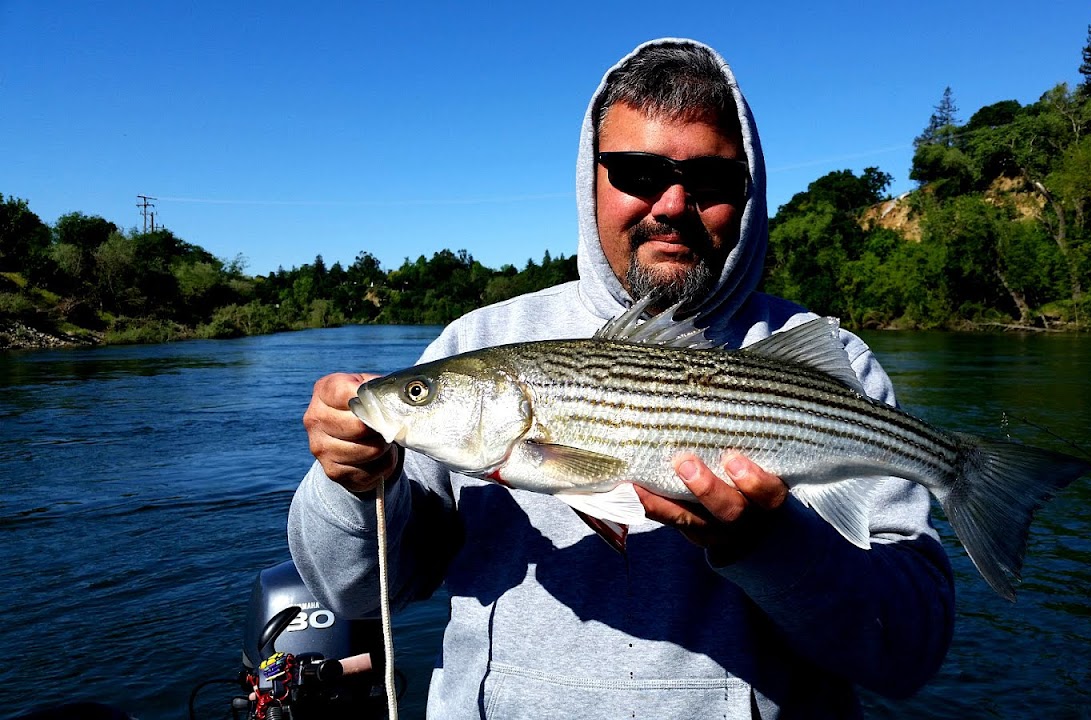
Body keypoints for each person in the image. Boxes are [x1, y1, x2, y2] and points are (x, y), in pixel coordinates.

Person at [289, 38, 955, 719]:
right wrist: (352, 483)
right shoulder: (478, 340)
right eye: (638, 173)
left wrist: (774, 546)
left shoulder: (824, 358)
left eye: (710, 180)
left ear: (749, 191)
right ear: (592, 178)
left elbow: (908, 654)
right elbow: (354, 595)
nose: (671, 204)